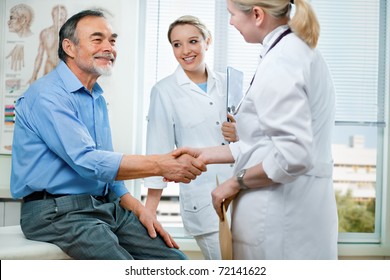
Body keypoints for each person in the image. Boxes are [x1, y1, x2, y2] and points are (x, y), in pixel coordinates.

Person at [10, 9, 206, 260]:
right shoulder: (48, 95)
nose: (109, 47)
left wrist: (140, 209)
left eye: (112, 40)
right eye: (97, 39)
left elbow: (107, 168)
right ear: (69, 47)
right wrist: (160, 165)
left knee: (175, 262)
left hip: (102, 206)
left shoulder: (96, 97)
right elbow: (87, 161)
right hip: (55, 211)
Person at [174, 0, 338, 259]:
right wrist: (206, 154)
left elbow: (292, 156)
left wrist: (235, 182)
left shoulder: (281, 62)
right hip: (297, 214)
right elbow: (266, 144)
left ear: (258, 15)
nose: (231, 22)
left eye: (232, 15)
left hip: (278, 220)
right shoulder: (295, 52)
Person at [144, 15, 238, 260]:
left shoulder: (229, 83)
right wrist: (149, 211)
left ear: (208, 42)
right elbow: (158, 153)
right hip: (204, 199)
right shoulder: (164, 91)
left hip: (243, 193)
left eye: (193, 41)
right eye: (177, 44)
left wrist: (239, 134)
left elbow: (256, 138)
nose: (185, 51)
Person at [28, 5, 68, 84]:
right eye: (57, 15)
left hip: (66, 67)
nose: (59, 17)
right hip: (49, 66)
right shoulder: (45, 33)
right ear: (53, 16)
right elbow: (39, 56)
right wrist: (34, 76)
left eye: (62, 15)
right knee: (48, 91)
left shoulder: (71, 34)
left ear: (65, 17)